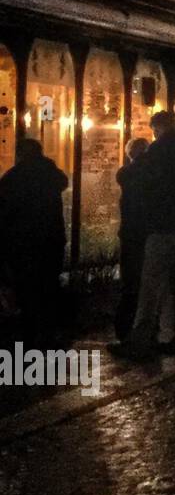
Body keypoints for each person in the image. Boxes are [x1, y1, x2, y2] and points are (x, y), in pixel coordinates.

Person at [111, 110, 175, 362]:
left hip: (162, 226)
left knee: (151, 284)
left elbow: (128, 176)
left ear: (157, 128)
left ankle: (140, 341)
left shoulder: (157, 152)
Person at [0, 137, 69, 348]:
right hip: (51, 241)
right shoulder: (51, 174)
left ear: (20, 154)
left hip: (23, 244)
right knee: (48, 286)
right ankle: (48, 333)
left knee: (26, 290)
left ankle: (28, 337)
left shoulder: (13, 177)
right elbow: (63, 181)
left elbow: (4, 214)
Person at [113, 137, 150, 341]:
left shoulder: (127, 173)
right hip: (146, 233)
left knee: (130, 281)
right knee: (144, 281)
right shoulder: (151, 174)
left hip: (131, 233)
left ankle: (126, 330)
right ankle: (141, 329)